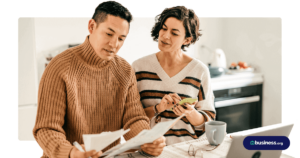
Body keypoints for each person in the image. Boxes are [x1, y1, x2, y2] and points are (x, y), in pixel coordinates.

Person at [32, 1, 166, 158]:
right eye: (109, 34)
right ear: (91, 26)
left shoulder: (124, 70)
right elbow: (46, 129)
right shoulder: (59, 67)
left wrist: (146, 140)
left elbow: (134, 118)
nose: (114, 44)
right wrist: (71, 152)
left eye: (121, 38)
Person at [132, 5, 216, 145]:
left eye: (174, 33)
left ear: (187, 40)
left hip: (186, 150)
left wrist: (190, 113)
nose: (165, 35)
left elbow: (208, 121)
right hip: (148, 149)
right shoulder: (138, 67)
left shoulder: (200, 71)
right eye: (164, 28)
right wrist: (159, 108)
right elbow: (131, 118)